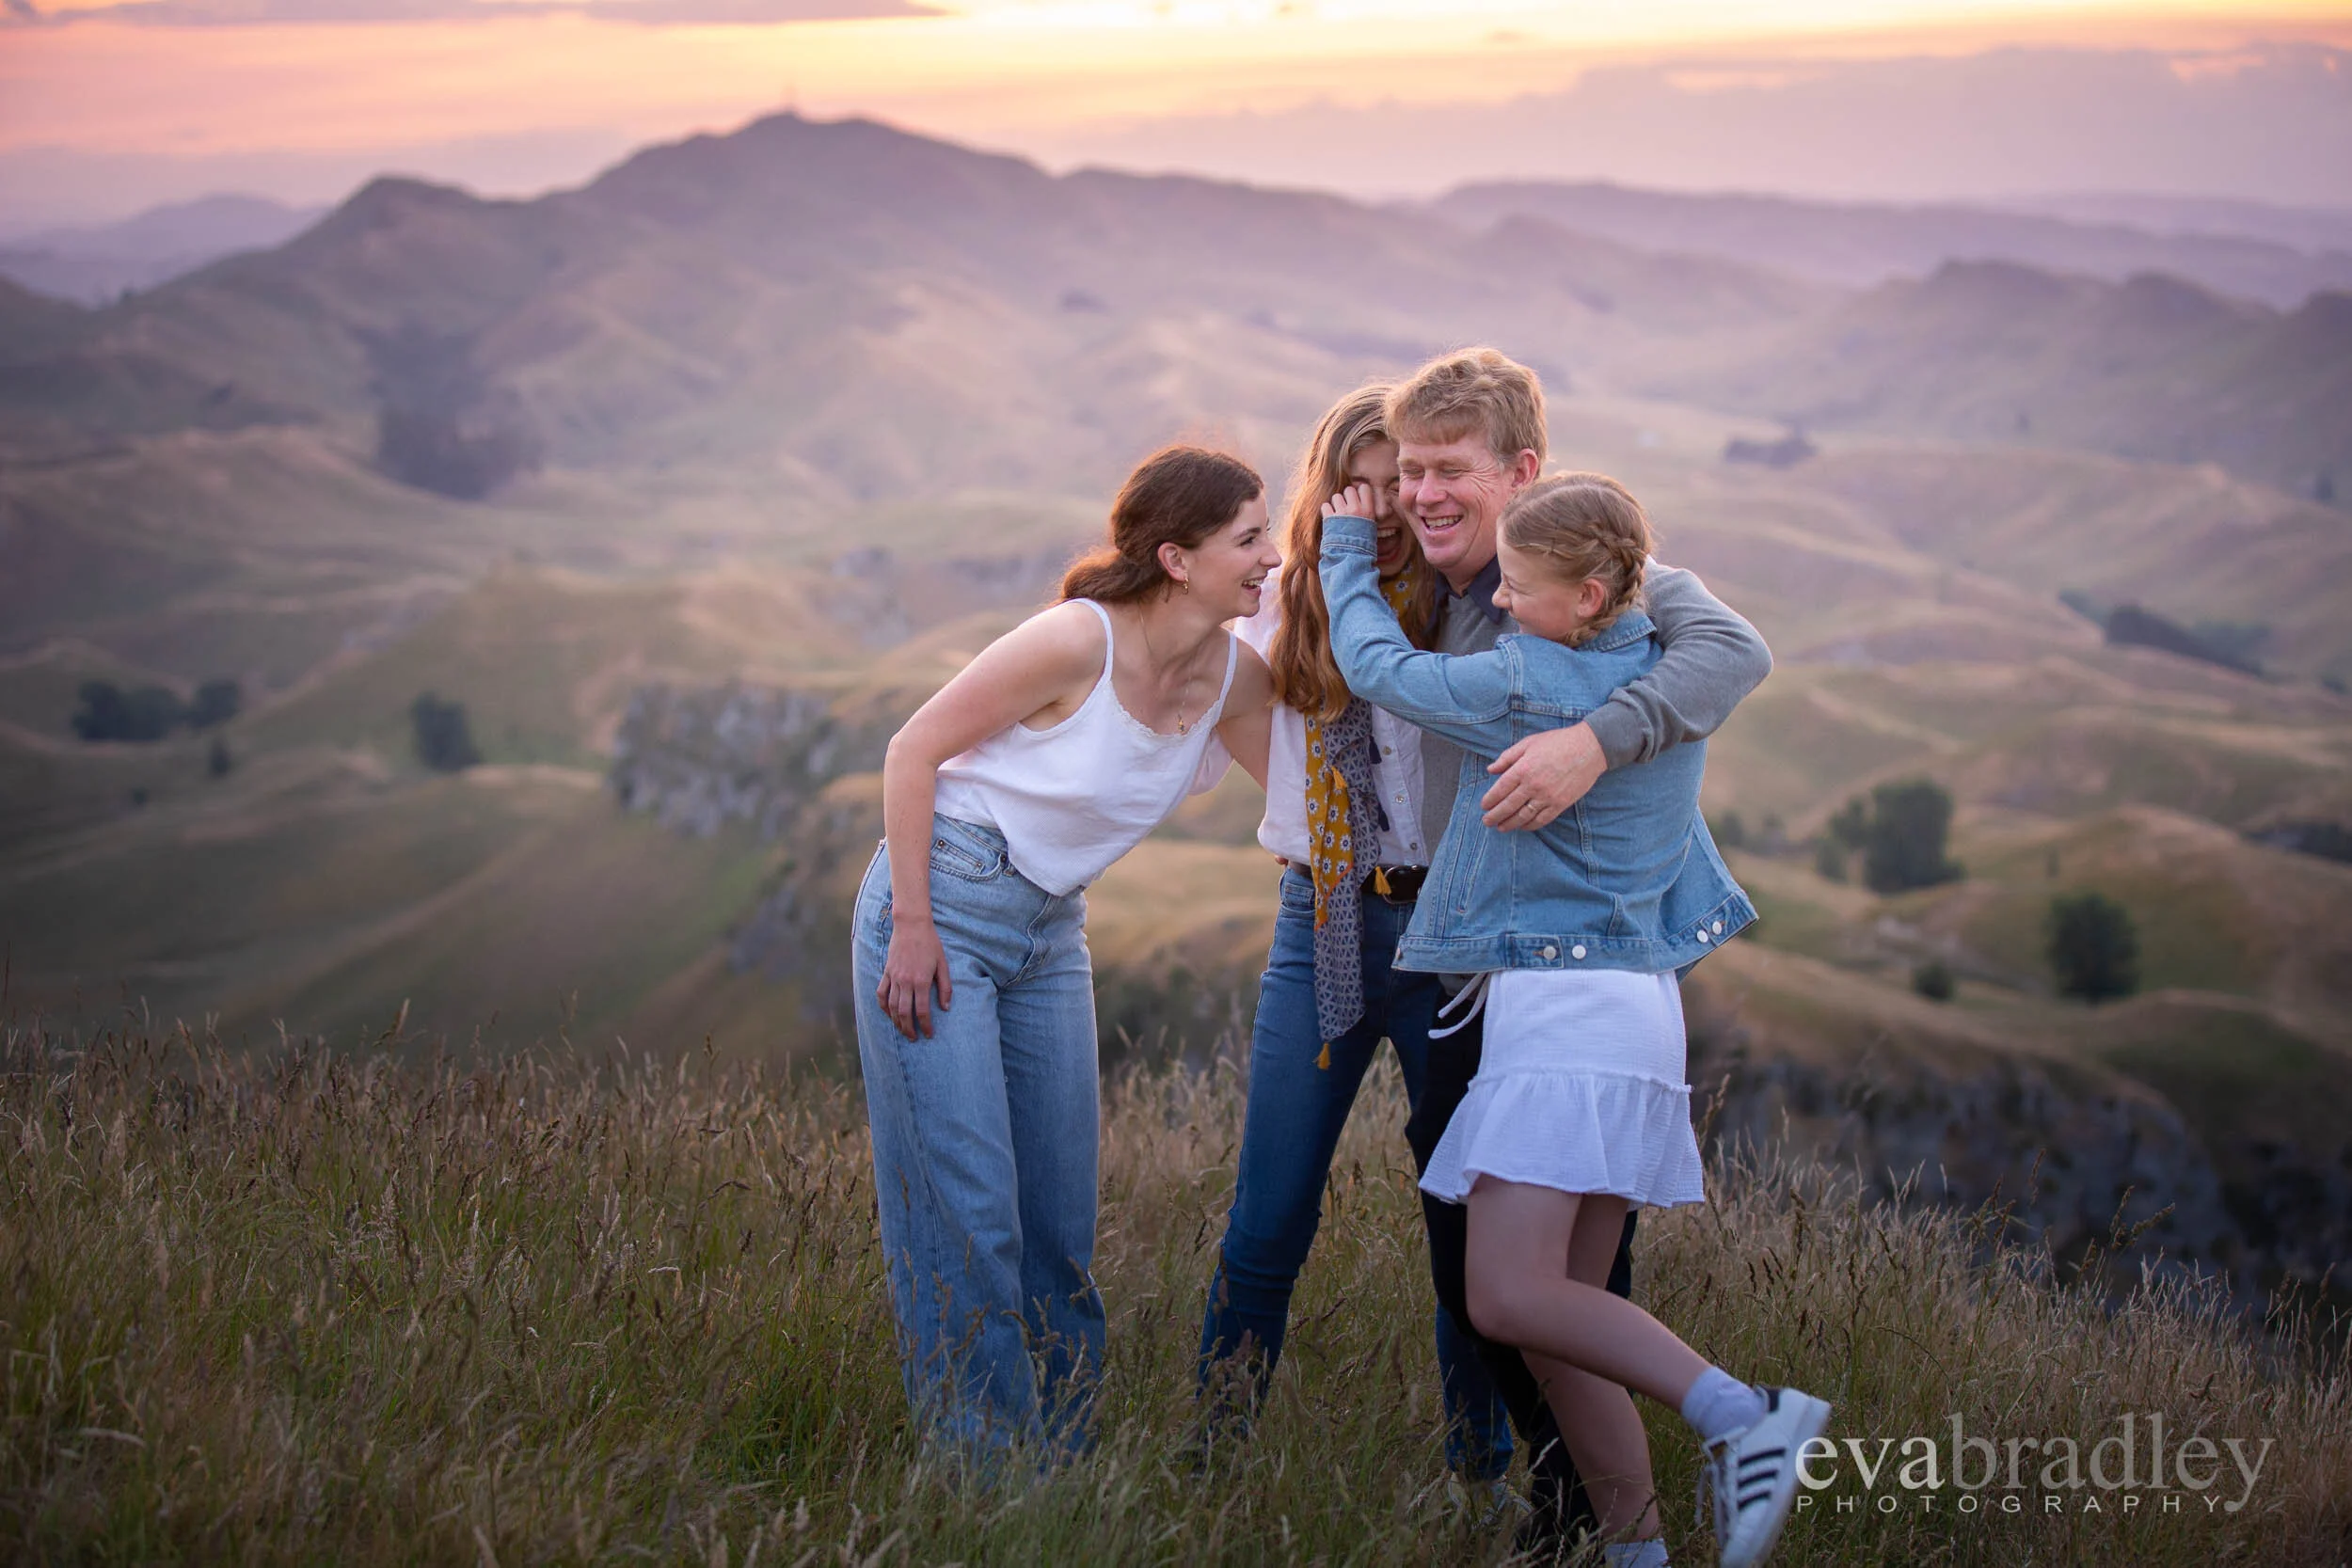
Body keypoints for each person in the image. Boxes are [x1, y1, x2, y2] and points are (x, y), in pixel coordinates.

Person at [1195, 380, 1777, 1538]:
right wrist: (1318, 831)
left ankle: (1536, 1485)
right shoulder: (1335, 588)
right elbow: (1234, 686)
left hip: (1481, 952)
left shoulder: (1552, 577)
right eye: (1385, 482)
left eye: (1426, 476)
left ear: (1514, 474)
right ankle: (1215, 1455)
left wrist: (1590, 743)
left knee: (1483, 1237)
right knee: (1278, 1214)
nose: (1409, 503)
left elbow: (1732, 646)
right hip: (1343, 919)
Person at [1320, 469, 1827, 1568]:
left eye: (1519, 583)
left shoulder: (1518, 680)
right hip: (1639, 1011)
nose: (1500, 601)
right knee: (1567, 1325)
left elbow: (1372, 666)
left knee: (1502, 1293)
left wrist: (1346, 551)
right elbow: (1714, 631)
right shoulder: (1665, 667)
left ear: (1590, 595)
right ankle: (1635, 1551)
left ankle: (1746, 1414)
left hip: (1561, 1018)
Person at [852, 444, 1279, 1463]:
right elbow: (912, 749)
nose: (1272, 557)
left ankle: (1069, 1463)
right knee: (966, 1217)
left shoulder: (1234, 674)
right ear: (1177, 557)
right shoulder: (1073, 641)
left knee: (1056, 1226)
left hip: (1050, 931)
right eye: (1251, 538)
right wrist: (912, 925)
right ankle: (990, 1482)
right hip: (941, 904)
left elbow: (1308, 804)